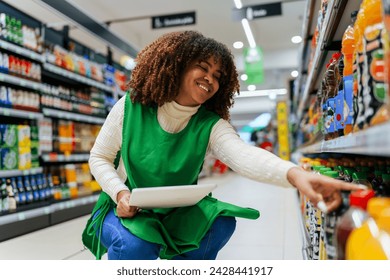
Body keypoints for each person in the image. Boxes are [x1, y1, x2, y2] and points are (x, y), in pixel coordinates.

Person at [82, 30, 363, 260]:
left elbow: (244, 156)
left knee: (218, 224)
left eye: (218, 75)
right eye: (203, 68)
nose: (210, 79)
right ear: (177, 66)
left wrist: (296, 175)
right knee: (135, 247)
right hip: (127, 208)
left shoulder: (209, 124)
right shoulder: (132, 107)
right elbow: (99, 157)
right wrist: (120, 193)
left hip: (176, 212)